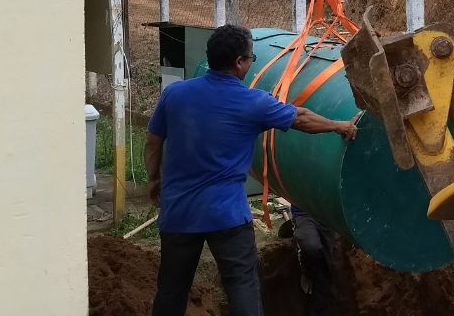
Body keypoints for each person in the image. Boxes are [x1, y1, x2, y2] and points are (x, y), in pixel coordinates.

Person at [145, 25, 359, 316]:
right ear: (239, 63)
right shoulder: (252, 101)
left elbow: (153, 140)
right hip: (227, 218)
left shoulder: (175, 95)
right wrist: (339, 126)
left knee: (171, 291)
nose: (250, 64)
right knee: (242, 289)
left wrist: (154, 179)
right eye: (251, 58)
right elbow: (301, 118)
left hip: (178, 213)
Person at [286, 207, 335, 316]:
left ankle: (322, 307)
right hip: (302, 213)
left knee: (328, 266)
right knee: (311, 246)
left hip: (326, 215)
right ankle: (307, 271)